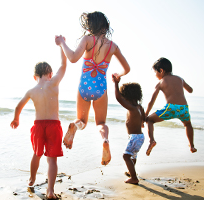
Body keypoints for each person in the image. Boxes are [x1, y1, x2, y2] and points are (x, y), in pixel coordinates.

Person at [55, 11, 130, 165]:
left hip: (84, 85)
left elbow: (73, 58)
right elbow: (127, 68)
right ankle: (105, 139)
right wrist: (118, 75)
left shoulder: (87, 40)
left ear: (91, 26)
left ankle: (75, 126)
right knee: (101, 123)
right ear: (105, 26)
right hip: (101, 88)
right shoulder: (113, 46)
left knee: (82, 120)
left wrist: (62, 43)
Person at [10, 39, 67, 199]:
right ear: (50, 74)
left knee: (37, 154)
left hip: (38, 126)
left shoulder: (31, 90)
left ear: (34, 76)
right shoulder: (54, 83)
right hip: (54, 125)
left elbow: (18, 106)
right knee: (52, 160)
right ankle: (50, 191)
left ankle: (32, 179)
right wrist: (61, 46)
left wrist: (16, 119)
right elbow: (63, 66)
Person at [145, 57, 197, 156]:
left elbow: (152, 101)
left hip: (171, 108)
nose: (155, 75)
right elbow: (190, 90)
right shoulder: (180, 79)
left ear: (161, 70)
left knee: (150, 120)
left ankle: (151, 140)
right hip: (183, 108)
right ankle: (191, 145)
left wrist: (146, 114)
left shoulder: (160, 83)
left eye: (155, 72)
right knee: (188, 125)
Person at [112, 75, 145, 184]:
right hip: (140, 136)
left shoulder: (132, 108)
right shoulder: (140, 107)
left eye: (124, 97)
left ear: (127, 97)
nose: (123, 100)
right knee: (133, 155)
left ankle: (134, 178)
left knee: (126, 156)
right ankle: (131, 172)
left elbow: (118, 98)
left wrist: (116, 84)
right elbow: (143, 119)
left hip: (134, 137)